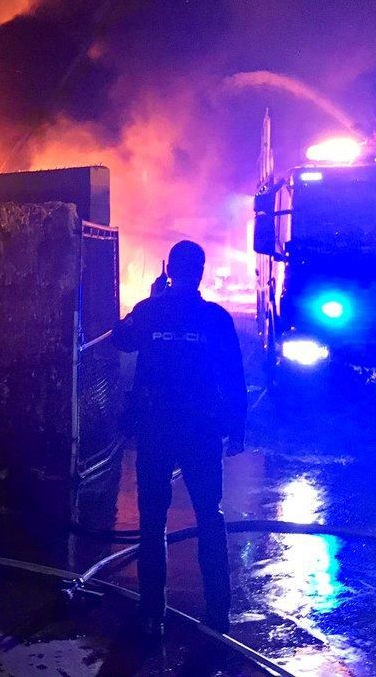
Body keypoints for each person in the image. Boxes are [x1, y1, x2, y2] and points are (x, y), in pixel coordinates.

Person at [112, 240, 246, 640]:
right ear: (201, 272)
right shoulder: (216, 319)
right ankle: (218, 612)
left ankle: (152, 610)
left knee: (153, 520)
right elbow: (233, 376)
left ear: (169, 269)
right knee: (209, 513)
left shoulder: (150, 311)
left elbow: (121, 339)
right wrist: (236, 428)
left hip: (156, 426)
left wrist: (151, 299)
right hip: (201, 429)